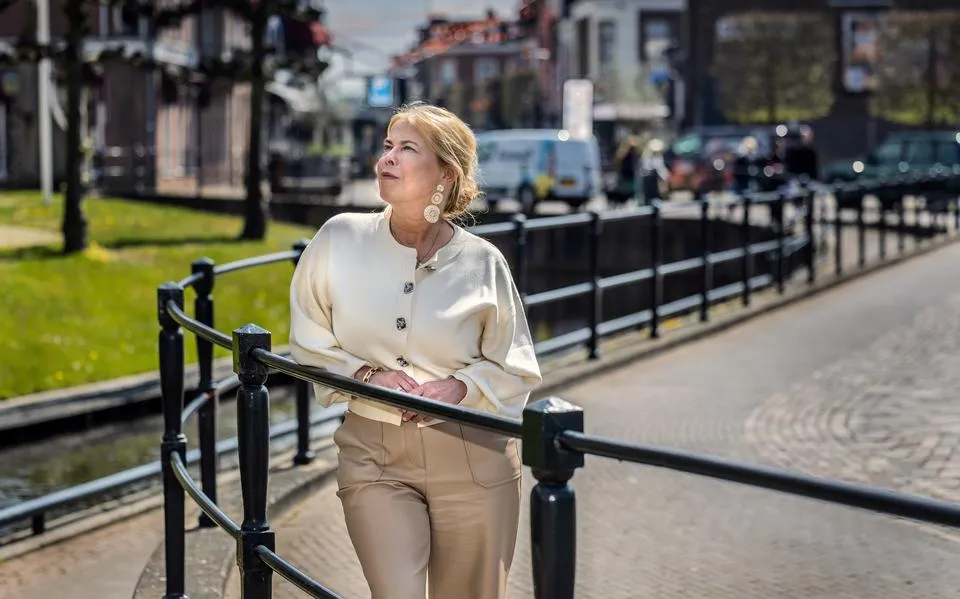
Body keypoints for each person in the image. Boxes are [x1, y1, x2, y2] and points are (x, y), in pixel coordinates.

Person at [289, 101, 542, 599]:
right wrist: (363, 375)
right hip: (373, 457)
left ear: (445, 175)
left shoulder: (483, 262)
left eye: (407, 149)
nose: (387, 159)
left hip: (475, 458)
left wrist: (463, 387)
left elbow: (517, 365)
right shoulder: (339, 238)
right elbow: (308, 338)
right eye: (387, 146)